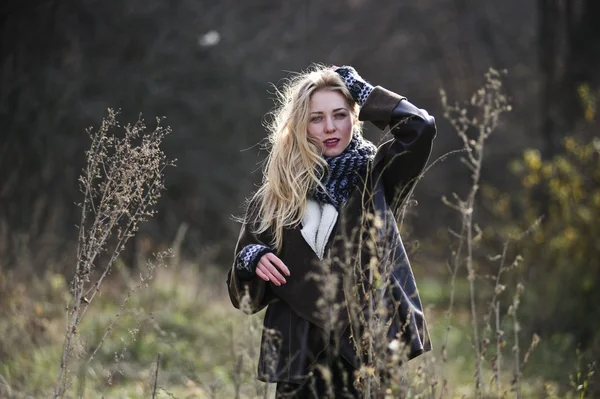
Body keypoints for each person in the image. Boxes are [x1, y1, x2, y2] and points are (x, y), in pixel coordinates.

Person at [226, 64, 436, 398]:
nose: (329, 127)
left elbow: (420, 128)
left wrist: (361, 89)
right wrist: (250, 260)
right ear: (301, 126)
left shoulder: (378, 178)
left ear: (356, 117)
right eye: (316, 118)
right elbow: (244, 299)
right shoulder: (275, 195)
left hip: (367, 357)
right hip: (299, 363)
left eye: (339, 114)